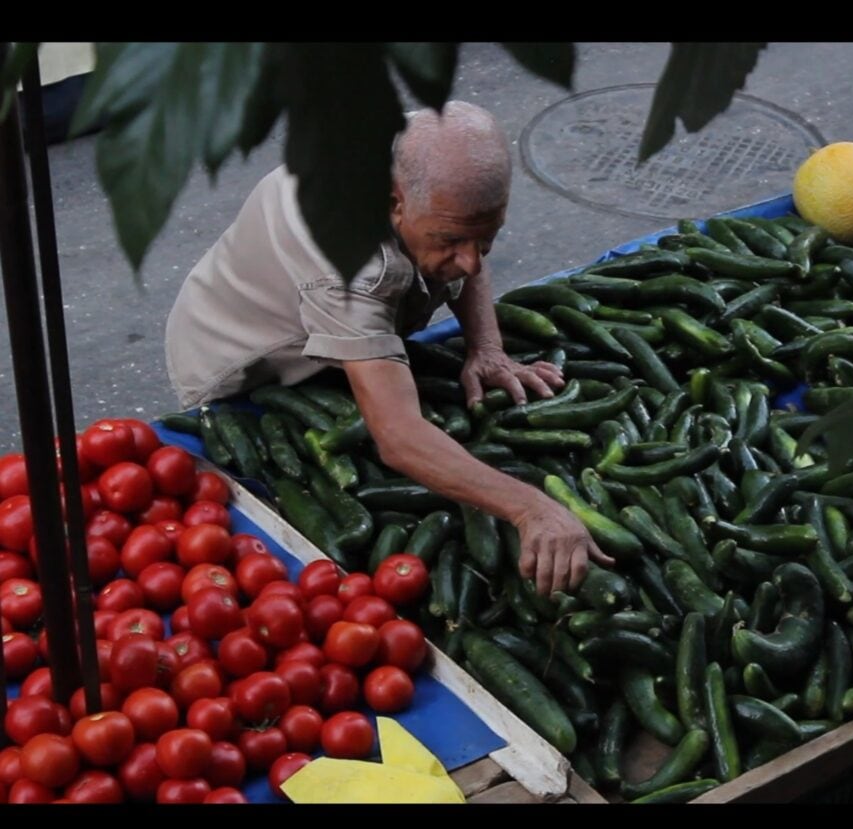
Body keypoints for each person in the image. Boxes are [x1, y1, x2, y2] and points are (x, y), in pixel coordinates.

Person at [165, 100, 613, 595]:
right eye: (450, 240)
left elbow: (466, 241)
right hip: (248, 362)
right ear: (395, 202)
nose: (469, 262)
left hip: (335, 315)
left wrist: (487, 346)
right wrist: (533, 508)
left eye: (485, 240)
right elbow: (397, 437)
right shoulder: (347, 257)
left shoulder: (420, 153)